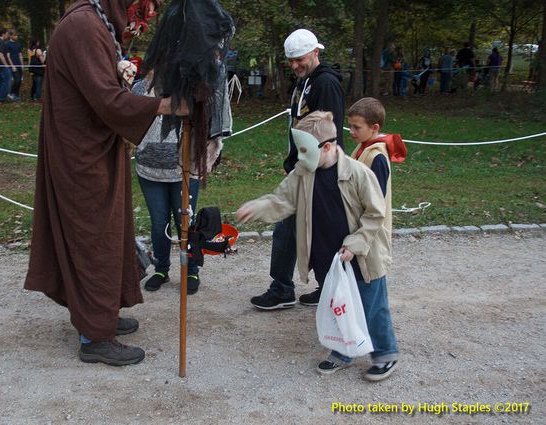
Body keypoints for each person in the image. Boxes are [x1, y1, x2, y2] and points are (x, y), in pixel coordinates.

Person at [24, 0, 186, 367]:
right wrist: (164, 106)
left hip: (94, 150)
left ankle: (99, 317)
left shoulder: (96, 22)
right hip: (81, 158)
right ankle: (95, 337)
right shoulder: (83, 25)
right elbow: (107, 100)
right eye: (140, 6)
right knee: (93, 239)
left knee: (109, 235)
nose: (143, 14)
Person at [235, 110, 398, 381]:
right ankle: (342, 351)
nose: (301, 157)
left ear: (328, 146)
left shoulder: (358, 174)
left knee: (371, 306)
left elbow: (375, 214)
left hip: (362, 256)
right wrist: (258, 207)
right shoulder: (303, 173)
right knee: (336, 305)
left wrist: (356, 243)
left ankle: (386, 353)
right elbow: (283, 200)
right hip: (327, 255)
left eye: (305, 150)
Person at [249, 29, 345, 311]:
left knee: (296, 230)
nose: (294, 66)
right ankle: (321, 287)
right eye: (290, 60)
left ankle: (285, 289)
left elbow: (327, 131)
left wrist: (308, 169)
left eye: (299, 59)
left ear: (316, 52)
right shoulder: (306, 82)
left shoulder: (325, 83)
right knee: (304, 232)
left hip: (317, 170)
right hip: (304, 167)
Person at [133, 70, 228, 295]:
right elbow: (129, 116)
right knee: (159, 225)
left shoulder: (189, 87)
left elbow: (207, 113)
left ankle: (191, 270)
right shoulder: (139, 88)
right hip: (149, 169)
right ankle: (161, 269)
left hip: (182, 169)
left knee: (186, 222)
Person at [6, 29, 24, 101]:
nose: (16, 36)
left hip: (19, 64)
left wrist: (22, 65)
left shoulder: (18, 44)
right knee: (17, 80)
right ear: (11, 36)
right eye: (15, 35)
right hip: (13, 65)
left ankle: (16, 95)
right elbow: (8, 56)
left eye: (17, 35)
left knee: (19, 81)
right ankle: (11, 93)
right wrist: (12, 66)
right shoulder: (7, 44)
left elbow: (20, 55)